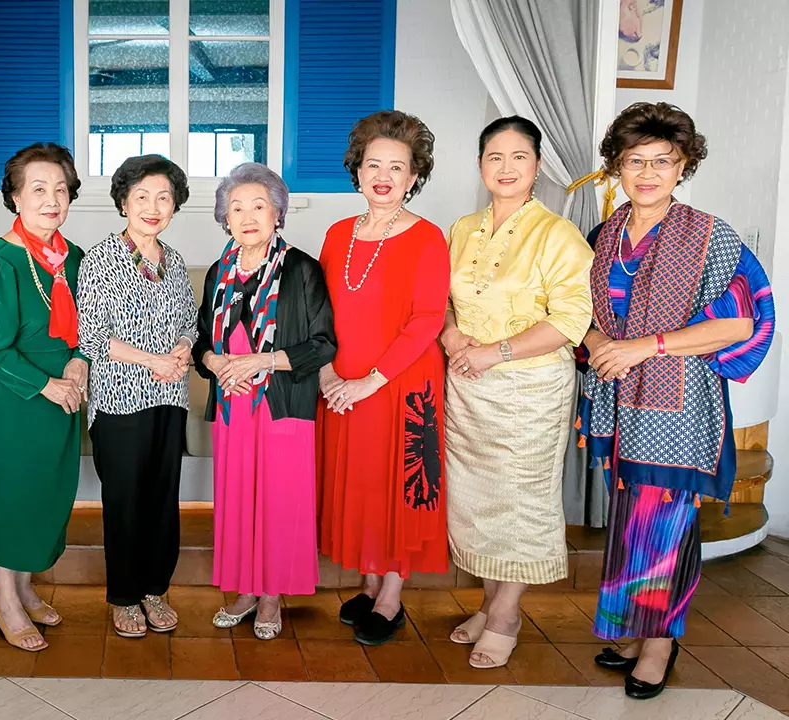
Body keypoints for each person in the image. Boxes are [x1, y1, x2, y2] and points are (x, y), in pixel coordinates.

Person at [577, 102, 774, 699]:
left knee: (664, 520)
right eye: (635, 160)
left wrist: (644, 347)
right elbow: (575, 313)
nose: (648, 173)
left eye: (663, 161)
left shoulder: (710, 236)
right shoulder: (602, 237)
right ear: (616, 166)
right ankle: (635, 629)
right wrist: (599, 343)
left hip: (680, 407)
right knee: (631, 519)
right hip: (619, 400)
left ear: (683, 166)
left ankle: (660, 641)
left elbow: (740, 322)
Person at [442, 116, 594, 669]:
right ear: (480, 165)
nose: (506, 168)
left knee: (521, 502)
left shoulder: (558, 233)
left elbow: (572, 319)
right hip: (467, 386)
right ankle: (488, 603)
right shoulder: (462, 229)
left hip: (530, 390)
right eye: (495, 157)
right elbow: (441, 302)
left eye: (519, 157)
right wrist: (452, 335)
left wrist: (496, 352)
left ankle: (506, 613)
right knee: (476, 503)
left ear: (537, 165)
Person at [317, 111, 450, 647]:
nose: (384, 176)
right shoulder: (337, 233)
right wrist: (326, 371)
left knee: (396, 486)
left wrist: (371, 381)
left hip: (400, 383)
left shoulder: (427, 237)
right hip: (341, 383)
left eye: (397, 166)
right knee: (362, 483)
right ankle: (370, 583)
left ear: (414, 176)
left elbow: (428, 319)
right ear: (357, 169)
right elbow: (318, 313)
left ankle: (391, 596)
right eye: (374, 164)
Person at [195, 162, 336, 640]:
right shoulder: (219, 272)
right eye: (236, 208)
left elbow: (323, 344)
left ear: (278, 213)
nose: (248, 216)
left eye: (259, 206)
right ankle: (245, 589)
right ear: (225, 218)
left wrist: (262, 361)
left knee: (278, 501)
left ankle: (272, 595)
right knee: (237, 502)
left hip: (281, 404)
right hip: (232, 407)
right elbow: (201, 342)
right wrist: (214, 363)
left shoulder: (301, 268)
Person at [0, 143, 87, 652]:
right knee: (10, 494)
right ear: (15, 197)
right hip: (11, 396)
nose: (51, 200)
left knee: (43, 492)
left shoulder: (75, 257)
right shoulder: (0, 260)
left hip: (63, 393)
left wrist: (79, 362)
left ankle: (25, 587)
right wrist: (47, 385)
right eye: (38, 189)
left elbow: (89, 326)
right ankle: (5, 599)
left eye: (60, 189)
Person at [76, 154, 195, 638]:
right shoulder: (100, 259)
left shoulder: (175, 261)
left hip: (171, 398)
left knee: (163, 500)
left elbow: (189, 322)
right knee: (125, 501)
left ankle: (155, 589)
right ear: (123, 202)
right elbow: (92, 337)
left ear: (174, 206)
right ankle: (124, 597)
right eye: (141, 196)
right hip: (120, 401)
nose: (153, 207)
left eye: (163, 197)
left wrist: (183, 347)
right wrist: (153, 361)